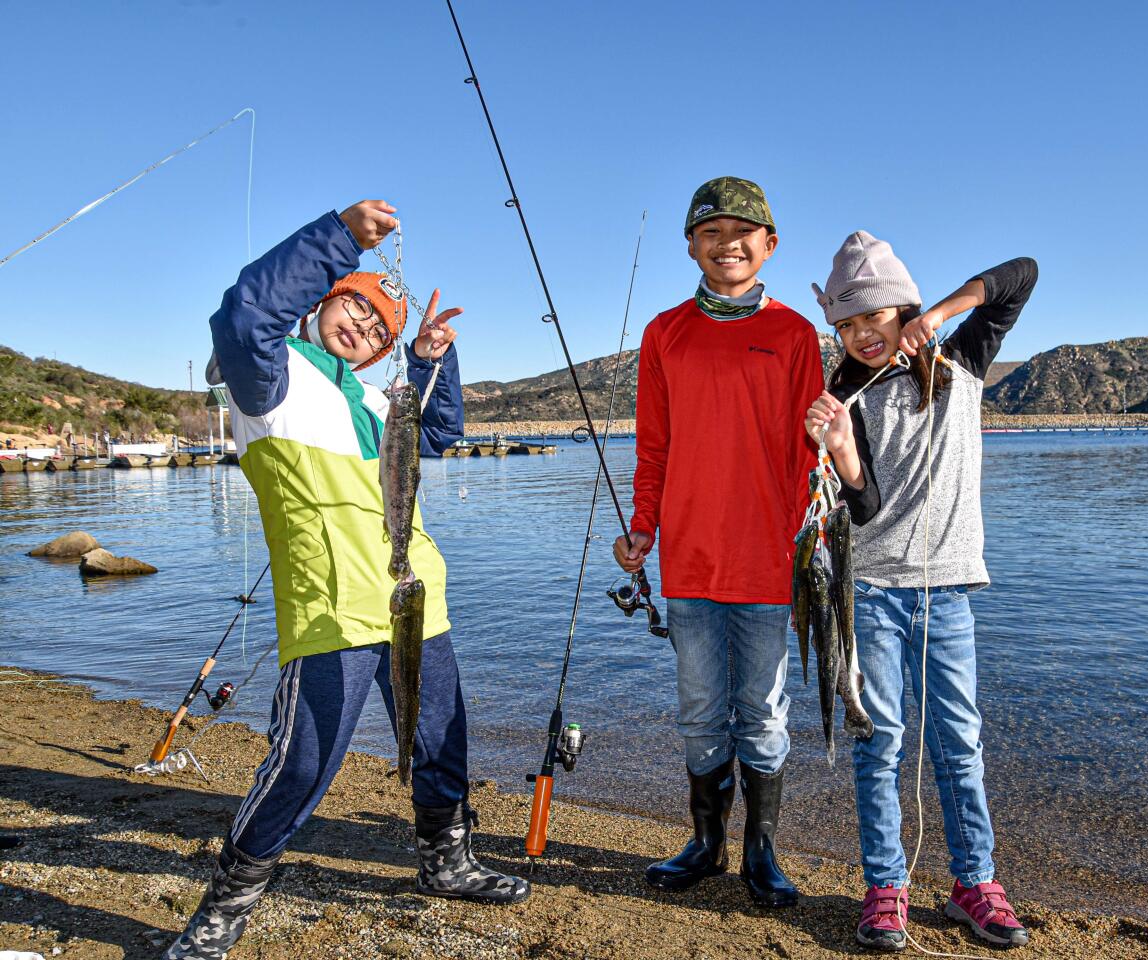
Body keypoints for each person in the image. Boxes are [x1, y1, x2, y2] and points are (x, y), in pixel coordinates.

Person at [166, 200, 527, 960]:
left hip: (415, 595)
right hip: (331, 607)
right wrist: (337, 240)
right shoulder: (268, 376)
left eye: (379, 328)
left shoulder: (371, 395)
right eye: (355, 305)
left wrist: (429, 359)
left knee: (439, 740)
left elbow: (437, 433)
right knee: (302, 762)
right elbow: (243, 314)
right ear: (325, 298)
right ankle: (226, 906)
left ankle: (445, 859)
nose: (364, 326)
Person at [805, 232, 1037, 951]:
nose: (861, 334)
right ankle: (885, 889)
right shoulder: (845, 391)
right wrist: (841, 449)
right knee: (879, 744)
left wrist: (938, 315)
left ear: (901, 308)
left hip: (949, 593)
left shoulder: (963, 359)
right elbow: (865, 509)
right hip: (870, 591)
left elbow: (1020, 276)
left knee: (959, 742)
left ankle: (975, 883)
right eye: (845, 325)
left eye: (873, 316)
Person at [613, 177, 822, 907]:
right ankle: (706, 843)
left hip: (770, 564)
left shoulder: (797, 334)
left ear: (769, 245)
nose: (726, 243)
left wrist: (811, 554)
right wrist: (644, 527)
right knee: (701, 709)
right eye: (710, 232)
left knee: (763, 713)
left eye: (743, 232)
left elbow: (813, 457)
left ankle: (762, 853)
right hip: (691, 562)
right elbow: (653, 447)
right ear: (691, 246)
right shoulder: (664, 332)